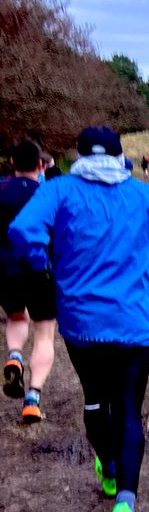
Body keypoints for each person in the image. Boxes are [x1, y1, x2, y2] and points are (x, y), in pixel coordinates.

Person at [9, 126, 149, 512]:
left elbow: (21, 230)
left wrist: (45, 263)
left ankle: (108, 468)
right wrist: (143, 256)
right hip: (134, 327)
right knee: (130, 411)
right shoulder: (146, 197)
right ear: (119, 156)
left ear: (78, 158)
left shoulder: (60, 190)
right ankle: (125, 505)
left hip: (83, 328)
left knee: (95, 399)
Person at [1, 139, 57, 424]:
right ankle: (33, 398)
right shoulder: (48, 194)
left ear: (12, 163)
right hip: (40, 272)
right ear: (40, 164)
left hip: (6, 271)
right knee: (45, 332)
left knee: (16, 318)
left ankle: (14, 356)